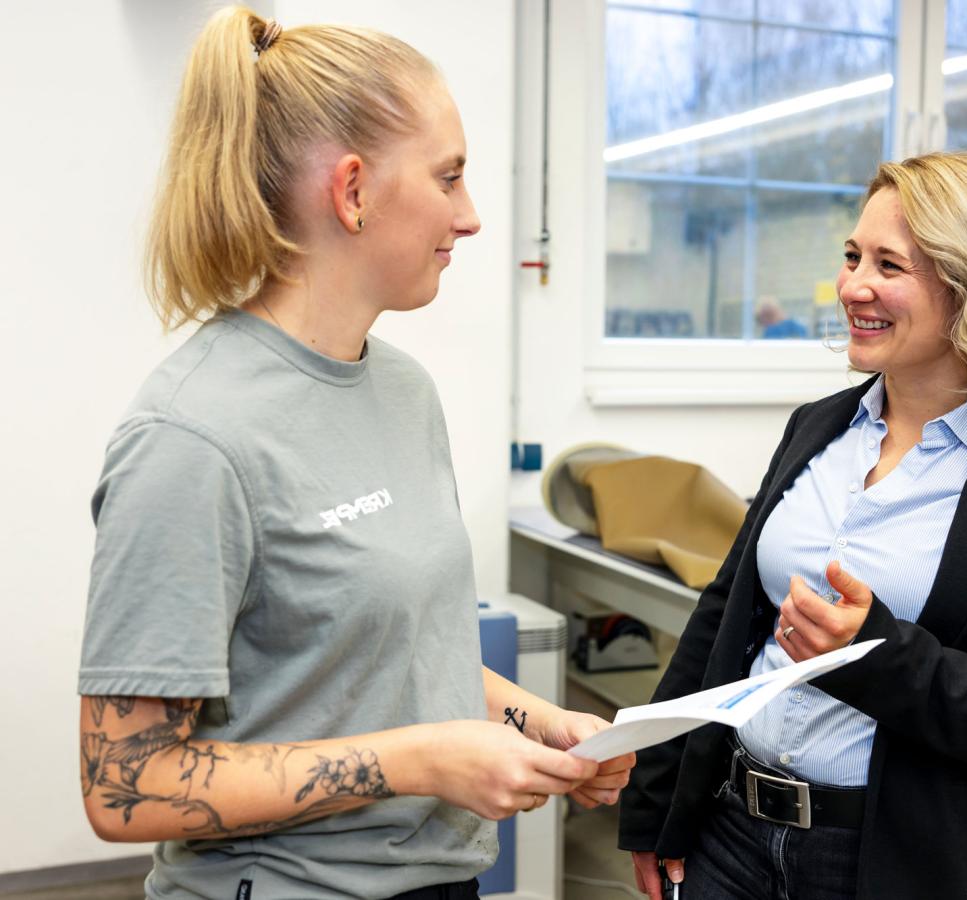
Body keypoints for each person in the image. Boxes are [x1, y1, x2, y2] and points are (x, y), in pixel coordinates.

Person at [77, 8, 634, 899]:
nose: (473, 215)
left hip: (438, 876)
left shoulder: (403, 391)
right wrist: (418, 761)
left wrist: (540, 720)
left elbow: (401, 658)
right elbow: (123, 786)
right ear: (352, 190)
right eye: (449, 178)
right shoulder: (191, 439)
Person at [620, 151, 967, 899]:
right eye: (852, 256)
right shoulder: (819, 429)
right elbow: (722, 620)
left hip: (898, 864)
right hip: (732, 839)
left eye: (890, 265)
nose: (852, 285)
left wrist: (873, 654)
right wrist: (656, 799)